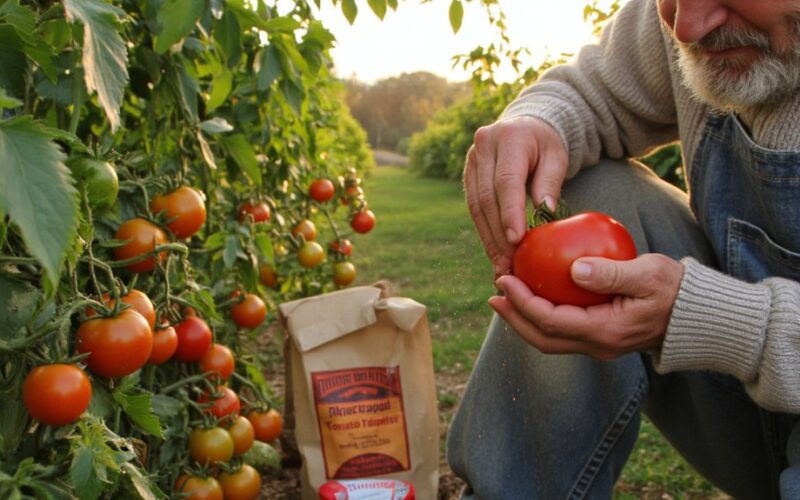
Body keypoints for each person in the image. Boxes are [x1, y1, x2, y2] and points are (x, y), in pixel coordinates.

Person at [446, 0, 800, 498]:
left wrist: (715, 319)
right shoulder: (691, 22)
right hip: (750, 410)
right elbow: (592, 93)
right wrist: (537, 125)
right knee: (590, 183)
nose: (687, 27)